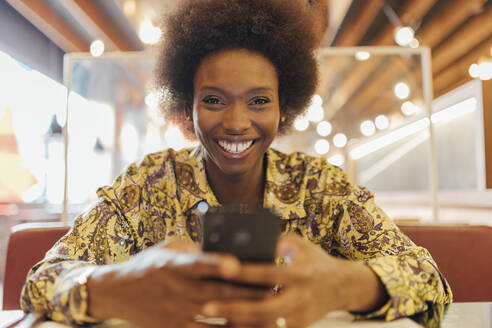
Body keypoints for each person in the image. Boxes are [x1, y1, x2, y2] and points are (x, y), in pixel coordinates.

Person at [21, 0, 452, 327]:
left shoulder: (321, 188)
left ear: (285, 108)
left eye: (259, 101)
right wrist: (109, 288)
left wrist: (345, 284)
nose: (235, 123)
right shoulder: (147, 185)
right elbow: (43, 280)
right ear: (186, 107)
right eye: (213, 100)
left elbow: (430, 278)